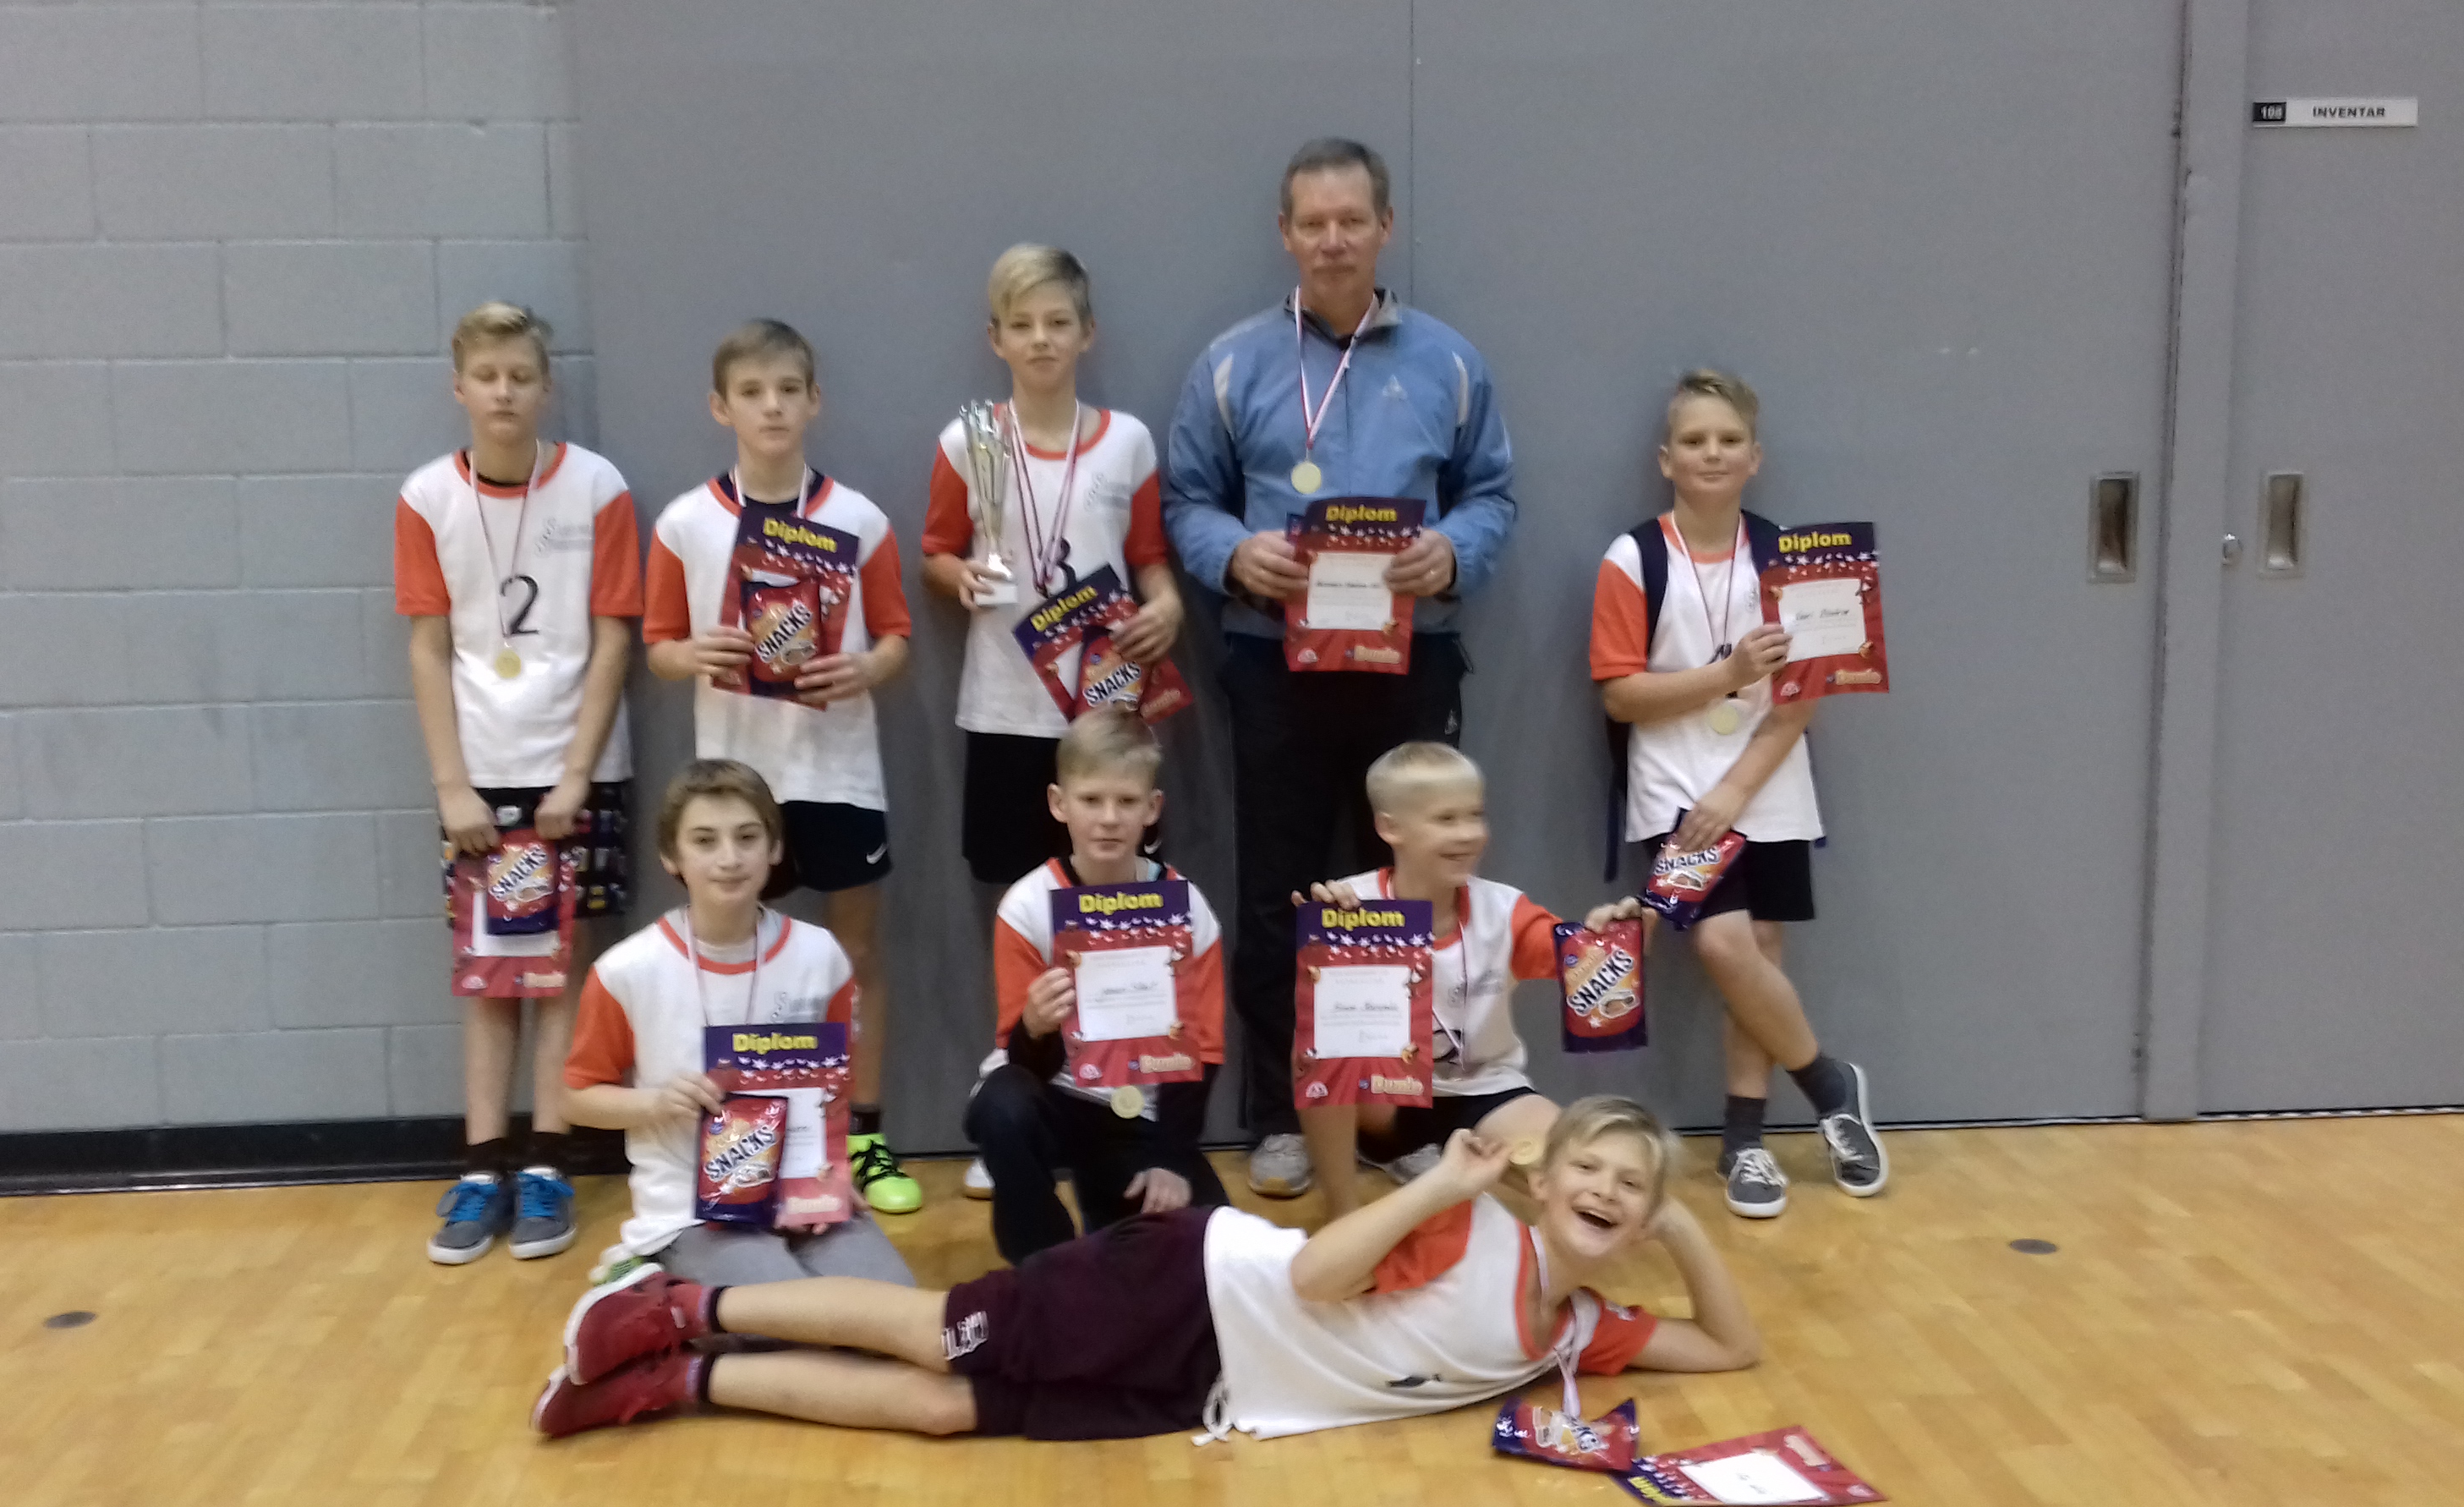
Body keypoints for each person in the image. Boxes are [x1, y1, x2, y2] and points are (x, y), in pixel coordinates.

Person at [531, 1095, 1759, 1442]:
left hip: (1212, 1384)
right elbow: (1320, 1281)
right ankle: (681, 1305)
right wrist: (1443, 1183)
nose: (1608, 1194)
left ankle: (677, 1382)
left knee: (951, 1412)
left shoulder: (1574, 1330)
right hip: (1184, 1282)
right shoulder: (1469, 1230)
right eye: (1592, 1172)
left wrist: (1687, 1229)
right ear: (1542, 1184)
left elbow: (1728, 1347)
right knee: (938, 1330)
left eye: (1631, 1190)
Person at [1164, 138, 1516, 1200]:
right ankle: (1281, 1115)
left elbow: (1492, 495)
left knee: (1408, 896)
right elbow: (1187, 500)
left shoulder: (1450, 363)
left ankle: (1396, 1116)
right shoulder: (1231, 364)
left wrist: (1454, 552)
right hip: (1274, 661)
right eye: (1312, 223)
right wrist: (1235, 556)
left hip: (1412, 661)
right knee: (1278, 895)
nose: (1332, 241)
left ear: (1384, 227)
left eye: (1351, 220)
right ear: (1285, 234)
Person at [1589, 370, 1887, 1219]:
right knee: (1722, 945)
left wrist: (1739, 788)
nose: (1711, 454)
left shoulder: (1795, 555)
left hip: (1767, 775)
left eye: (1728, 440)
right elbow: (1620, 696)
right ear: (1666, 459)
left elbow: (1805, 697)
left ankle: (1744, 1142)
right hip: (1673, 785)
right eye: (1694, 441)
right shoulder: (1631, 558)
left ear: (1756, 458)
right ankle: (1830, 1086)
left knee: (1759, 947)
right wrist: (1728, 674)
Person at [643, 321, 923, 1215]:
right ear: (720, 407)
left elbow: (897, 638)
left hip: (838, 771)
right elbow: (657, 646)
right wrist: (694, 654)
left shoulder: (859, 518)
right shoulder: (686, 523)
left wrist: (866, 667)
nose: (772, 407)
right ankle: (750, 1144)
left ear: (814, 402)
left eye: (788, 391)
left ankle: (863, 1138)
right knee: (739, 959)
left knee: (856, 954)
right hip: (736, 781)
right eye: (753, 392)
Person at [922, 247, 1184, 1203]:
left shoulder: (1127, 443)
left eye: (1057, 323)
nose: (1041, 340)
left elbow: (1150, 558)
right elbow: (935, 551)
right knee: (1016, 909)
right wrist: (957, 576)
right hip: (1004, 705)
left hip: (1107, 714)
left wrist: (1169, 608)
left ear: (1087, 334)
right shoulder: (970, 440)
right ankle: (1017, 1095)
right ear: (995, 339)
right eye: (1022, 325)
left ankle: (1124, 1100)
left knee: (1119, 904)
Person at [395, 301, 639, 1264]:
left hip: (576, 772)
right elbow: (427, 648)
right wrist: (450, 785)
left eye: (521, 376)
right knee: (489, 976)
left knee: (563, 969)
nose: (504, 393)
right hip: (481, 777)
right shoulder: (427, 498)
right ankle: (480, 1168)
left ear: (546, 386)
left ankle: (547, 1164)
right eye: (487, 376)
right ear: (458, 387)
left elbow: (613, 638)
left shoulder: (597, 487)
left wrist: (577, 774)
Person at [556, 760, 913, 1333]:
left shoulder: (820, 956)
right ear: (672, 857)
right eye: (705, 841)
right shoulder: (628, 970)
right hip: (692, 1209)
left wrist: (833, 1176)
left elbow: (832, 1092)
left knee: (901, 1317)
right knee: (795, 1330)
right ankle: (648, 1277)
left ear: (774, 849)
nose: (729, 858)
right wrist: (655, 1103)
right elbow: (576, 1097)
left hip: (804, 1193)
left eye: (747, 837)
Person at [1291, 742, 1643, 1221]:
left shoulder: (1505, 909)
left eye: (1476, 815)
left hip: (1484, 1088)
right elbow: (1320, 1016)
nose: (1469, 834)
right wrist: (1325, 936)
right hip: (1383, 1101)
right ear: (1390, 828)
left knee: (1577, 1172)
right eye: (1446, 819)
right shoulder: (1351, 905)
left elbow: (1588, 975)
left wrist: (1618, 938)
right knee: (1318, 1047)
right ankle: (1343, 1215)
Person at [961, 710, 1227, 1263]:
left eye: (1127, 802)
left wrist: (1171, 1158)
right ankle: (1045, 1267)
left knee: (1203, 1251)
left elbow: (1202, 1050)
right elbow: (1020, 1060)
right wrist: (1034, 1027)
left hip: (1137, 1115)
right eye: (1091, 800)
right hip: (1053, 1096)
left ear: (1153, 808)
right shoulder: (1027, 907)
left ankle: (1115, 1207)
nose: (1109, 819)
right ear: (1059, 804)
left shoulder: (1186, 909)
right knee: (1003, 1105)